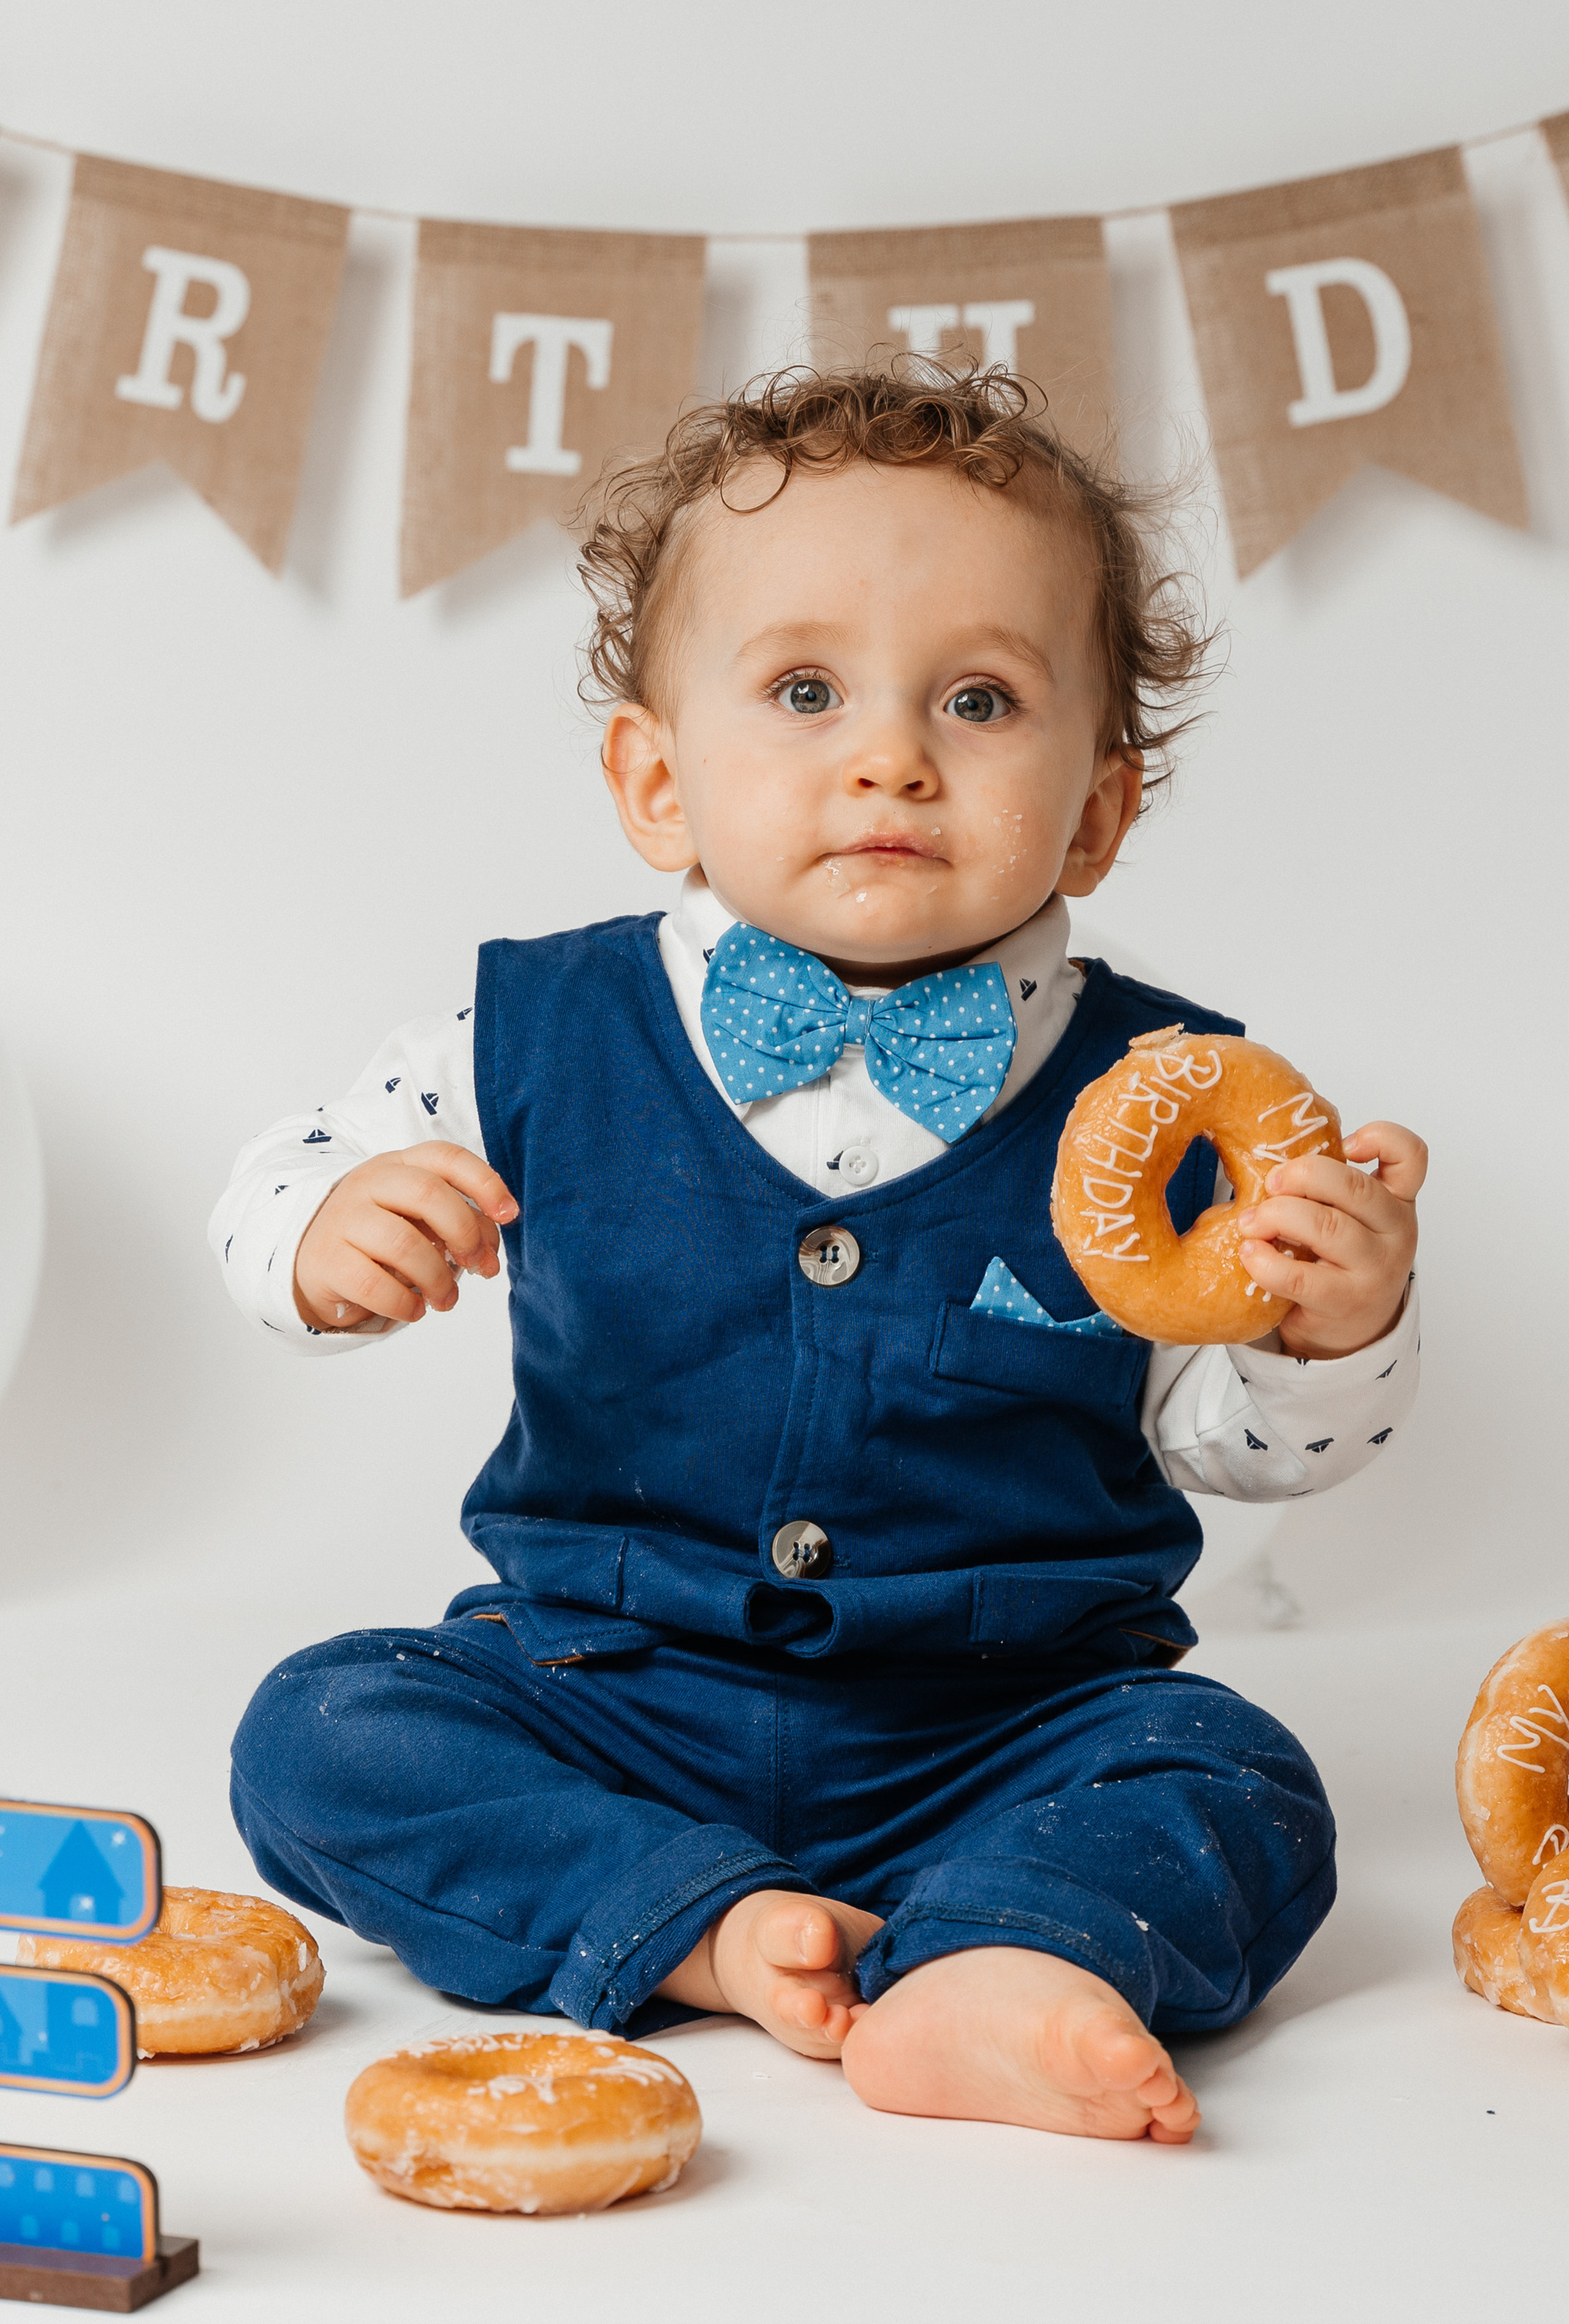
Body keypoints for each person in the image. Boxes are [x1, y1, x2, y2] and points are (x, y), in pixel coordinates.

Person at [215, 367, 1426, 2143]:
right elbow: (282, 1176)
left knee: (1241, 1781)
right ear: (656, 779)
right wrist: (320, 1233)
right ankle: (700, 1924)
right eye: (803, 690)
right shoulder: (518, 1034)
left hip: (1011, 1726)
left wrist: (1339, 1328)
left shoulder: (1164, 1113)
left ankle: (1009, 1958)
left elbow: (1238, 1452)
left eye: (981, 698)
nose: (891, 754)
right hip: (605, 1697)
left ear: (1097, 809)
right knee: (318, 1730)